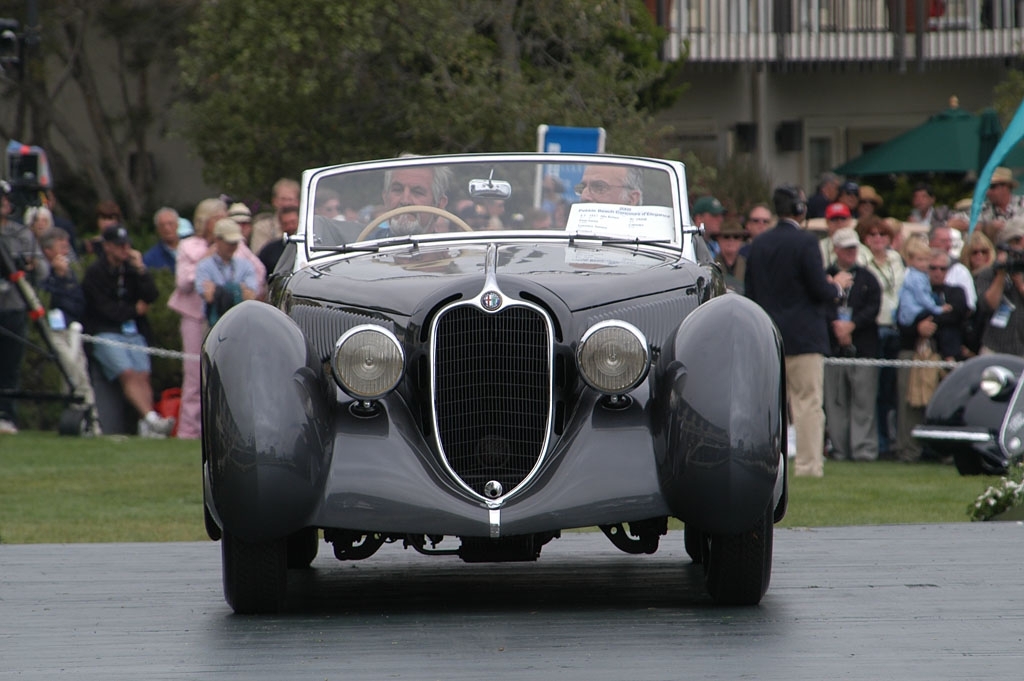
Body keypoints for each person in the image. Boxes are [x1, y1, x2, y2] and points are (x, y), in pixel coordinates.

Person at [745, 184, 850, 478]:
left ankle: (765, 466)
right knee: (807, 404)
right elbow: (818, 288)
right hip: (804, 337)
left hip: (769, 336)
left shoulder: (759, 245)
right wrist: (837, 286)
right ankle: (807, 465)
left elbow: (751, 293)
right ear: (800, 210)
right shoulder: (805, 242)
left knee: (769, 406)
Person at [168, 199, 265, 439]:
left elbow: (257, 273)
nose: (224, 221)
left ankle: (227, 429)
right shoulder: (190, 246)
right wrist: (208, 257)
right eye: (217, 217)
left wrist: (230, 288)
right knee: (194, 374)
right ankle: (190, 431)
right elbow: (183, 282)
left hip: (228, 316)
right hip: (194, 316)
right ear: (206, 221)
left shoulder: (235, 246)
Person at [81, 224, 174, 438]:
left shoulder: (131, 269)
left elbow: (151, 295)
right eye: (119, 246)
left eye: (126, 245)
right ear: (107, 247)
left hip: (132, 332)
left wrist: (142, 270)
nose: (124, 250)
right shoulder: (95, 272)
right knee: (128, 373)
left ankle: (147, 424)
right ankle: (152, 418)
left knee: (143, 374)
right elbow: (103, 308)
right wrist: (133, 310)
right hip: (106, 332)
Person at [895, 249, 972, 463]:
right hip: (916, 352)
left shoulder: (955, 291)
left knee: (945, 404)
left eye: (942, 268)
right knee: (911, 403)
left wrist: (931, 323)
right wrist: (918, 327)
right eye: (932, 267)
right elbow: (902, 320)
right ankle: (909, 452)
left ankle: (945, 452)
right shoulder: (913, 288)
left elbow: (957, 314)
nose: (937, 272)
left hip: (944, 355)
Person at [824, 227, 881, 462]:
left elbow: (873, 308)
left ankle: (863, 452)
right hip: (832, 350)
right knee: (835, 403)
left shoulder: (868, 278)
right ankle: (839, 450)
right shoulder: (824, 276)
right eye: (846, 248)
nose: (850, 252)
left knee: (863, 403)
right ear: (835, 249)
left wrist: (852, 325)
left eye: (853, 247)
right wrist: (836, 326)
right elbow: (818, 305)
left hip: (864, 348)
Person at [37, 227, 100, 434]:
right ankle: (80, 413)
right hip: (51, 329)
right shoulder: (42, 269)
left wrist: (65, 279)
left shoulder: (72, 271)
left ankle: (91, 419)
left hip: (72, 328)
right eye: (60, 245)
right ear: (47, 250)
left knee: (80, 369)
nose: (65, 249)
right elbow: (44, 300)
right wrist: (57, 277)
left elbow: (78, 302)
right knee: (70, 367)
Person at [0, 182, 50, 434]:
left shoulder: (20, 234)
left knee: (10, 365)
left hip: (14, 306)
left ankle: (7, 415)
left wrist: (29, 265)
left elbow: (42, 270)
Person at [858, 215, 906, 457]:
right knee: (873, 391)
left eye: (882, 234)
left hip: (895, 327)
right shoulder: (860, 258)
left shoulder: (896, 259)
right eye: (872, 234)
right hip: (873, 327)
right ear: (865, 238)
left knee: (891, 390)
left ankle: (891, 442)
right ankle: (878, 444)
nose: (878, 239)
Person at [973, 219, 1024, 356]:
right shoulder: (988, 273)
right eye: (1015, 242)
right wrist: (1001, 274)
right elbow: (989, 305)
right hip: (995, 347)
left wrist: (1019, 284)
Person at [195, 219, 259, 326]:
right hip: (213, 322)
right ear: (217, 240)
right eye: (229, 242)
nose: (233, 246)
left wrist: (217, 290)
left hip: (241, 321)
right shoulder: (204, 266)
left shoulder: (246, 265)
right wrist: (238, 290)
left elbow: (250, 295)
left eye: (235, 243)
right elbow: (208, 296)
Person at [368, 165, 454, 238]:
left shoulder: (455, 253)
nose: (405, 201)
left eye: (417, 192)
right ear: (386, 198)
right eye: (398, 190)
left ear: (439, 204)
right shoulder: (363, 251)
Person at [898, 237, 953, 328]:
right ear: (910, 260)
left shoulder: (920, 275)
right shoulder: (915, 277)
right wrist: (937, 309)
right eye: (920, 260)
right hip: (914, 311)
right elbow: (922, 297)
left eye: (926, 260)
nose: (924, 263)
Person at [928, 224, 976, 311]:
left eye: (950, 241)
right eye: (943, 241)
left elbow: (970, 305)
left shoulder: (959, 270)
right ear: (931, 242)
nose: (948, 245)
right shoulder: (918, 268)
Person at [249, 178, 300, 254]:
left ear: (297, 202)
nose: (286, 204)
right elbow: (258, 258)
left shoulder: (307, 226)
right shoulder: (262, 227)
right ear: (274, 201)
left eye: (290, 199)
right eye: (283, 199)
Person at [820, 202, 870, 269]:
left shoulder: (862, 249)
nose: (839, 222)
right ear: (827, 222)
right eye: (834, 219)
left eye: (843, 218)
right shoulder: (819, 247)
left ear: (850, 220)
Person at [257, 205, 299, 276]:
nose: (290, 227)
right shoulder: (270, 250)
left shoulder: (314, 247)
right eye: (285, 224)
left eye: (293, 222)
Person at [576, 165, 644, 206]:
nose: (584, 197)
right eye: (582, 187)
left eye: (599, 188)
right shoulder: (567, 229)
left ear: (631, 199)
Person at [142, 207, 180, 272]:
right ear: (157, 229)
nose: (167, 229)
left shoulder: (191, 249)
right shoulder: (150, 258)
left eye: (170, 224)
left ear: (177, 225)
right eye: (162, 225)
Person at [714, 218, 747, 294]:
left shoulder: (749, 266)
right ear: (718, 239)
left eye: (736, 237)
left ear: (741, 240)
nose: (731, 240)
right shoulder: (712, 267)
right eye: (726, 236)